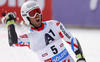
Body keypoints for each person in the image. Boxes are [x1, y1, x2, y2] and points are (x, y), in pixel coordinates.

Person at [5, 1, 86, 62]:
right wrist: (10, 23)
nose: (36, 15)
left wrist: (80, 57)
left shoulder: (55, 25)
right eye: (32, 13)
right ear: (26, 18)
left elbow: (71, 40)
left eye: (38, 11)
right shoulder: (30, 37)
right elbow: (13, 42)